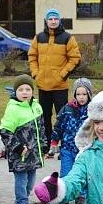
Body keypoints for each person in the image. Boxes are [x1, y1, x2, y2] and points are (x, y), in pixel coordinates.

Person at [28, 9, 81, 142]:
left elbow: (75, 58)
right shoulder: (39, 37)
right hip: (43, 86)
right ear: (46, 21)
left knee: (62, 116)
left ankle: (64, 143)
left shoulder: (67, 38)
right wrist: (35, 73)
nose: (53, 21)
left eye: (55, 19)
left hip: (60, 86)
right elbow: (32, 56)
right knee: (44, 116)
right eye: (50, 19)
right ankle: (46, 144)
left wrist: (62, 75)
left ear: (59, 20)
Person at [0, 74, 46, 204]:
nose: (25, 92)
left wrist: (43, 146)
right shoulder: (13, 109)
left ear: (32, 91)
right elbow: (5, 132)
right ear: (15, 92)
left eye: (28, 89)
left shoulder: (37, 107)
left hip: (33, 155)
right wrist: (18, 148)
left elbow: (42, 128)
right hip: (19, 155)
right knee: (22, 182)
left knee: (30, 183)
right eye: (21, 89)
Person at [49, 77, 92, 204]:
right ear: (74, 95)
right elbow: (59, 125)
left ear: (89, 95)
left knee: (82, 175)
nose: (81, 97)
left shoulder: (92, 111)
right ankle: (64, 201)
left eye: (84, 94)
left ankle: (81, 199)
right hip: (67, 148)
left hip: (84, 150)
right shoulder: (67, 109)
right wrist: (54, 141)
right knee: (66, 174)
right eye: (78, 94)